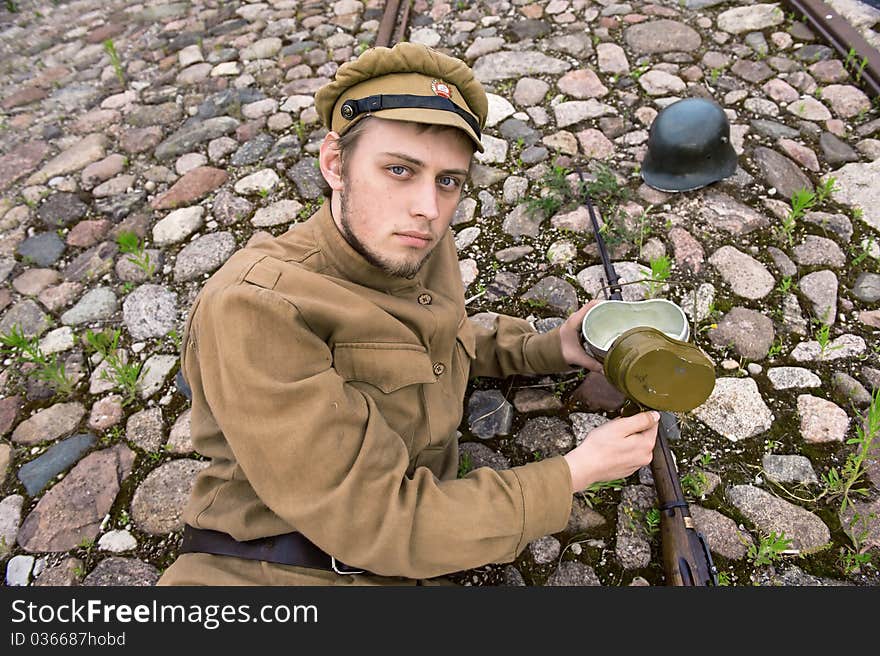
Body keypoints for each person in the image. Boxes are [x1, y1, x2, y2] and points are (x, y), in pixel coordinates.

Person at [157, 42, 659, 586]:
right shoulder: (258, 306)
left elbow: (435, 344)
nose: (428, 207)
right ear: (335, 163)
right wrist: (573, 473)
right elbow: (382, 522)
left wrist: (548, 348)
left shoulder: (409, 240)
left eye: (449, 181)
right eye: (399, 169)